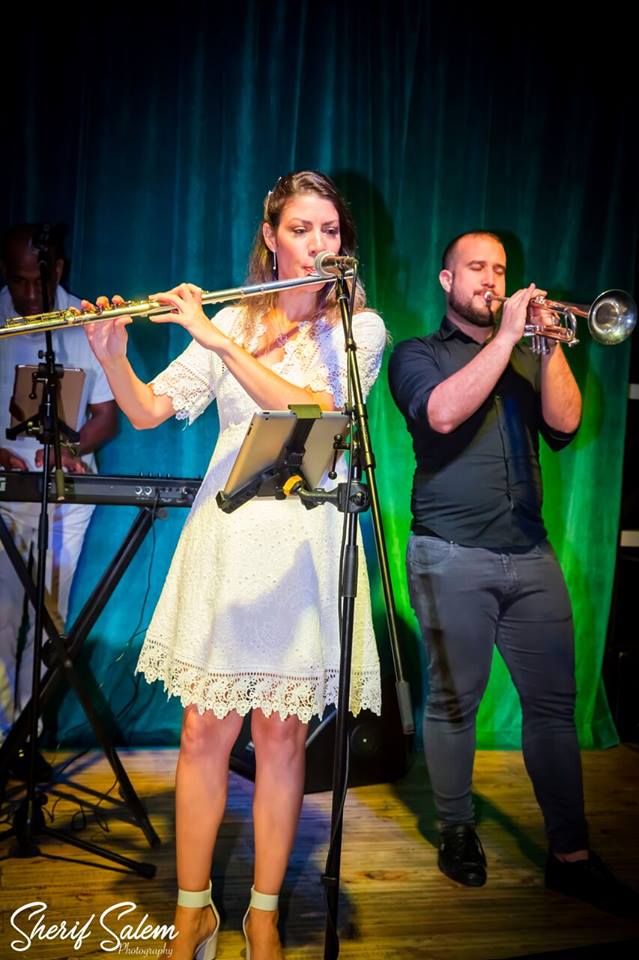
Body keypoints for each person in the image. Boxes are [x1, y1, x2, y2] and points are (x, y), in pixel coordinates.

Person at [84, 171, 386, 960]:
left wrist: (221, 343)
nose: (317, 244)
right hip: (226, 540)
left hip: (301, 546)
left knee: (280, 741)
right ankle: (193, 912)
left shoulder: (359, 331)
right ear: (270, 238)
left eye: (330, 231)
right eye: (301, 229)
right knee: (200, 733)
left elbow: (311, 414)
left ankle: (262, 913)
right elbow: (148, 410)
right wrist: (112, 355)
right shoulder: (232, 318)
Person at [388, 230, 636, 914]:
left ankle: (570, 855)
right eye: (476, 267)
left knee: (553, 708)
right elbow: (440, 414)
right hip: (449, 553)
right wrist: (505, 337)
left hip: (530, 553)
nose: (490, 280)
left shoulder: (528, 353)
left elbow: (566, 424)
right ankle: (456, 830)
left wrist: (548, 344)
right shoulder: (417, 354)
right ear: (447, 280)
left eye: (499, 269)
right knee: (453, 703)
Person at [0, 224, 118, 775]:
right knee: (3, 615)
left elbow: (106, 417)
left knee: (51, 619)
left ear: (59, 271)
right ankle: (2, 737)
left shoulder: (81, 321)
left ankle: (26, 737)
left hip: (66, 495)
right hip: (6, 495)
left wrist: (69, 448)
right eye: (17, 281)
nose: (29, 294)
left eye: (38, 281)